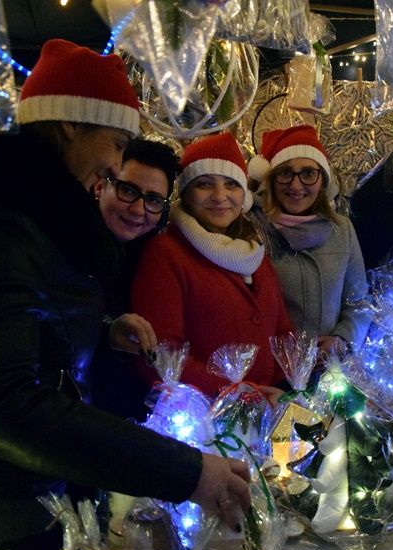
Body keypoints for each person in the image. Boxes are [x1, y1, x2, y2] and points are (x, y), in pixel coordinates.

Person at [0, 40, 250, 550]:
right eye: (117, 144)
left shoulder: (20, 206)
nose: (116, 165)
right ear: (75, 125)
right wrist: (186, 471)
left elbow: (12, 328)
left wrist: (101, 330)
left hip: (11, 495)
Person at [130, 131, 293, 397]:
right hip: (200, 421)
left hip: (264, 410)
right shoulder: (166, 253)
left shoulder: (254, 252)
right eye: (205, 184)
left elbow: (282, 332)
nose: (220, 196)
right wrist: (241, 395)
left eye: (231, 184)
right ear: (186, 193)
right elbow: (159, 355)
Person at [247, 125, 370, 355]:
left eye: (307, 174)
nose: (296, 185)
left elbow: (359, 303)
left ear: (321, 180)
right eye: (285, 173)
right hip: (271, 371)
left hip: (329, 373)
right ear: (271, 180)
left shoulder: (342, 230)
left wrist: (343, 340)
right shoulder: (252, 229)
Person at [90, 138, 179, 421]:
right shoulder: (67, 243)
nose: (139, 210)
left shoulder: (156, 255)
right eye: (128, 190)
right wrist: (107, 332)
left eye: (153, 200)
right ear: (101, 185)